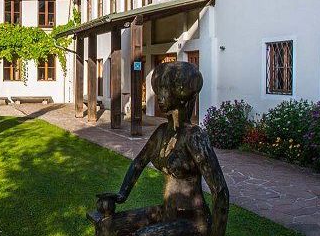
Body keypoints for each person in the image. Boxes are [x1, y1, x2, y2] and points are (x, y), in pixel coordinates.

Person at [91, 61, 229, 236]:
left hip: (193, 220)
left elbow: (220, 191)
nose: (159, 97)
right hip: (167, 212)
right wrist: (122, 194)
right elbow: (138, 163)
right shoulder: (161, 132)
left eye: (166, 91)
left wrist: (216, 233)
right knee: (108, 225)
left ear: (181, 95)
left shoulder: (194, 136)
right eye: (159, 91)